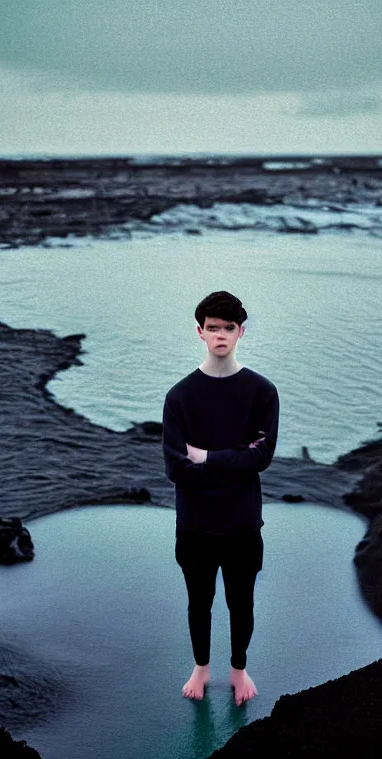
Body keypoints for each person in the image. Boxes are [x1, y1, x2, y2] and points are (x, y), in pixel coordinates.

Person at [162, 291, 280, 706]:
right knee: (199, 603)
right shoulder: (179, 397)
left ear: (241, 332)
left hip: (243, 523)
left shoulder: (262, 392)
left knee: (241, 603)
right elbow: (176, 469)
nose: (221, 335)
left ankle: (238, 668)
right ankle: (201, 667)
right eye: (213, 328)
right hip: (194, 524)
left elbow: (262, 457)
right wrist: (236, 462)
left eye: (229, 328)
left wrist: (207, 458)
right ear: (200, 332)